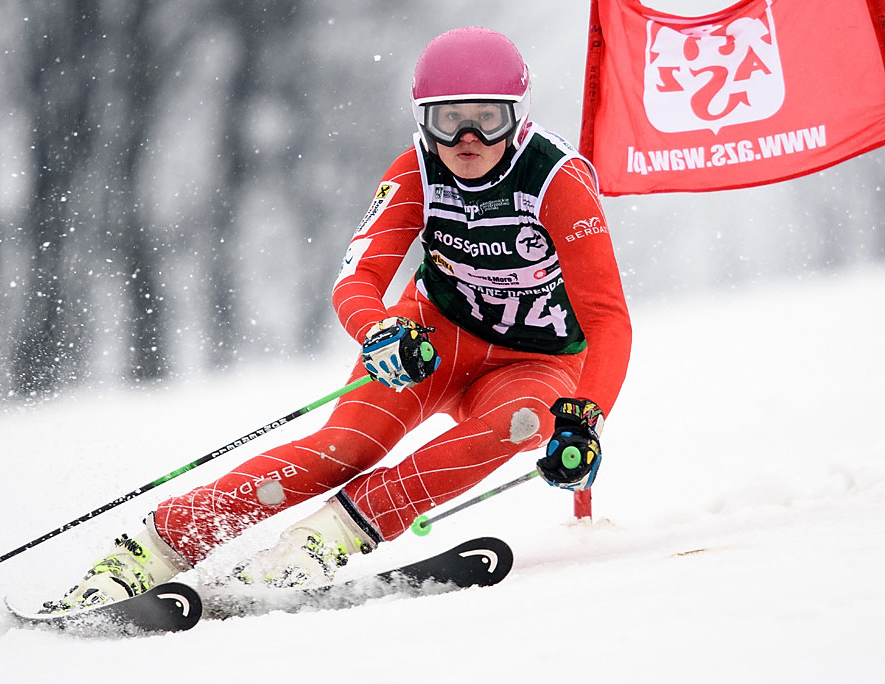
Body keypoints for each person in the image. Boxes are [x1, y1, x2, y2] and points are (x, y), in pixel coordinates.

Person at [46, 26, 631, 611]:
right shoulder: (417, 173)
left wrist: (589, 416)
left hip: (537, 357)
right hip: (439, 335)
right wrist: (379, 331)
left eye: (488, 118)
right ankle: (147, 552)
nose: (467, 137)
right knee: (348, 447)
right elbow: (358, 279)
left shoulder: (558, 181)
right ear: (423, 119)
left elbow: (607, 318)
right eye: (447, 119)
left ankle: (318, 543)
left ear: (518, 118)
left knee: (525, 423)